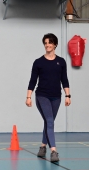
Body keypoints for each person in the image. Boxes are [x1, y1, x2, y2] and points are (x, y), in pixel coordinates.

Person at [26, 33, 71, 162]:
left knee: (48, 122)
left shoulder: (61, 62)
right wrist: (28, 97)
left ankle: (42, 147)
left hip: (56, 97)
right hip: (42, 96)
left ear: (55, 44)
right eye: (45, 43)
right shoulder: (38, 62)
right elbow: (32, 81)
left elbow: (64, 80)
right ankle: (54, 151)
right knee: (50, 121)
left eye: (50, 43)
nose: (47, 45)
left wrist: (68, 95)